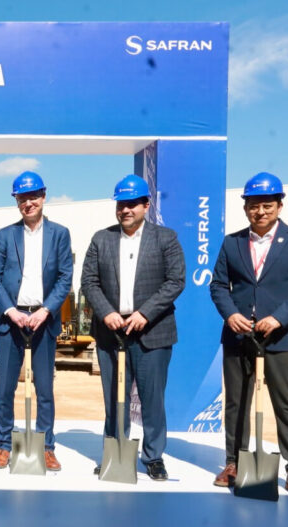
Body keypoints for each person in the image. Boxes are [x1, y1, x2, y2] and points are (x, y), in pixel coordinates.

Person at [210, 172, 288, 499]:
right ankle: (234, 463)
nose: (260, 212)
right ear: (245, 208)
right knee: (236, 403)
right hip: (239, 336)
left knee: (286, 403)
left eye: (267, 205)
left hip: (281, 337)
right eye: (254, 206)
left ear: (279, 206)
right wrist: (231, 314)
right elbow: (218, 285)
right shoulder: (232, 242)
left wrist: (279, 318)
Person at [81, 174, 185, 481]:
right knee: (115, 399)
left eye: (132, 204)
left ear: (145, 205)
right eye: (121, 205)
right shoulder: (101, 239)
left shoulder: (166, 238)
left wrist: (145, 313)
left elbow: (176, 280)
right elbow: (89, 281)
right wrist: (106, 313)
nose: (125, 210)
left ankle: (153, 456)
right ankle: (115, 452)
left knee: (152, 400)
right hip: (110, 333)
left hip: (152, 332)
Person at [0, 171, 73, 471]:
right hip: (11, 320)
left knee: (45, 389)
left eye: (33, 196)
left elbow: (65, 277)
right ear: (16, 201)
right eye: (22, 198)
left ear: (44, 196)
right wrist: (10, 311)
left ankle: (47, 446)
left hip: (43, 319)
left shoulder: (60, 234)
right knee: (6, 389)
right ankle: (3, 444)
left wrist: (46, 310)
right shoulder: (5, 235)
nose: (28, 203)